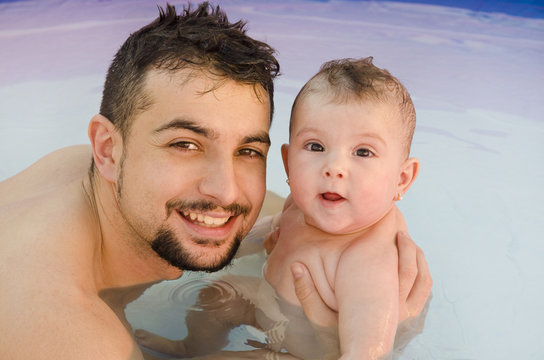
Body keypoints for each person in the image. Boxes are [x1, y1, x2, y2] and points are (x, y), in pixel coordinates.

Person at [0, 3, 431, 360]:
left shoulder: (84, 169)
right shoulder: (67, 335)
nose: (225, 191)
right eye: (185, 145)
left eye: (247, 151)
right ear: (109, 149)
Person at [134, 57, 429, 359]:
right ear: (288, 162)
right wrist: (219, 248)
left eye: (363, 152)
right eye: (316, 147)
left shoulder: (368, 261)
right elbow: (269, 229)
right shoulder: (304, 207)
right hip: (268, 305)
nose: (334, 167)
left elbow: (369, 352)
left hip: (302, 353)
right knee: (218, 293)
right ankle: (190, 346)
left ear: (402, 179)